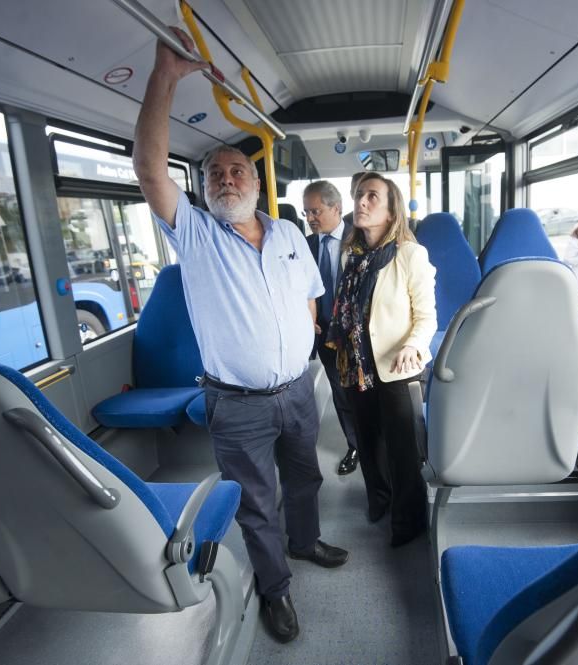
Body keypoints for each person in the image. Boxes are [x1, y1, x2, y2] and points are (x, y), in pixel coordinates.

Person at [132, 28, 348, 644]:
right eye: (215, 173)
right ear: (203, 189)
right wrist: (166, 77)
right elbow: (149, 170)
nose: (227, 178)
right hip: (237, 403)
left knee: (305, 476)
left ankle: (304, 542)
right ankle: (275, 590)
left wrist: (299, 354)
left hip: (297, 391)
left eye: (237, 170)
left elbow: (309, 295)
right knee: (255, 501)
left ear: (256, 183)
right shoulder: (196, 236)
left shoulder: (286, 235)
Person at [325, 172, 437, 548]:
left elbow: (427, 316)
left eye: (372, 197)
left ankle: (408, 523)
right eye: (358, 195)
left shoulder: (409, 254)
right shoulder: (351, 255)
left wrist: (413, 345)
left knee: (403, 449)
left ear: (391, 212)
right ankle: (379, 501)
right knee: (369, 443)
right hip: (356, 366)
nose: (361, 202)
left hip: (397, 366)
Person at [302, 180, 360, 476]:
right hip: (324, 332)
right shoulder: (306, 245)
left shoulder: (359, 239)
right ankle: (354, 445)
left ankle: (375, 442)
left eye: (315, 211)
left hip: (357, 332)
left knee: (363, 390)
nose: (310, 218)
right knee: (339, 390)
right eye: (306, 213)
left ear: (336, 208)